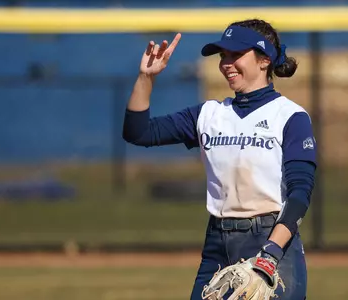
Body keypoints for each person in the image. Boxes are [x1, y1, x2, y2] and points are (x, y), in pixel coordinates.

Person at [122, 18, 317, 300]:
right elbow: (138, 132)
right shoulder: (209, 115)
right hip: (218, 244)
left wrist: (270, 254)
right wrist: (146, 78)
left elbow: (300, 194)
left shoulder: (290, 117)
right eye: (222, 55)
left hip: (271, 241)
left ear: (264, 60)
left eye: (236, 54)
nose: (226, 62)